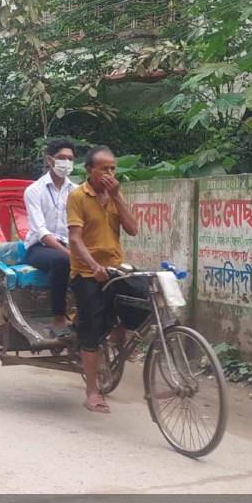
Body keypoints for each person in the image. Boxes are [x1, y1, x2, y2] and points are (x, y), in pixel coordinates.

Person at [67, 146, 149, 414]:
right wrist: (93, 264)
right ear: (90, 171)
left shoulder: (115, 195)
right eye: (105, 169)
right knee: (91, 325)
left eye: (113, 168)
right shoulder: (78, 196)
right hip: (87, 271)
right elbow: (75, 239)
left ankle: (119, 331)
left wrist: (118, 198)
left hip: (115, 268)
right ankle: (92, 391)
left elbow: (133, 230)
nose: (110, 173)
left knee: (143, 295)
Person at [24, 138, 78, 337]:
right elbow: (41, 232)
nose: (66, 162)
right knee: (63, 260)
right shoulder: (34, 191)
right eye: (61, 158)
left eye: (70, 159)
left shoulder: (76, 191)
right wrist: (70, 253)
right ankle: (58, 319)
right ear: (49, 160)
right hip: (39, 248)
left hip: (69, 244)